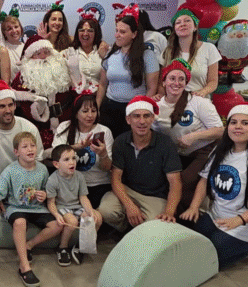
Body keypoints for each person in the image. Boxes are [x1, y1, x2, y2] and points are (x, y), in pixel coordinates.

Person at [180, 103, 248, 269]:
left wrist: (239, 220)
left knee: (208, 261)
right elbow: (204, 180)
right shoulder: (219, 152)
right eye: (233, 122)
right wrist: (194, 207)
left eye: (245, 123)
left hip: (246, 225)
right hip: (216, 216)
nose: (238, 127)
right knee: (191, 247)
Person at [0, 132, 61, 287]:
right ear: (16, 152)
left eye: (33, 146)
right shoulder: (10, 170)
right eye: (25, 146)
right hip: (16, 207)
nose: (30, 149)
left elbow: (48, 189)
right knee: (20, 222)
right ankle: (24, 267)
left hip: (37, 208)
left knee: (57, 225)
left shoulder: (42, 169)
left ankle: (29, 245)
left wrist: (45, 194)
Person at [99, 96, 182, 232]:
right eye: (136, 116)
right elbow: (115, 179)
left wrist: (169, 212)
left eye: (146, 116)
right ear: (128, 120)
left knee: (158, 226)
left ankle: (139, 229)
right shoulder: (121, 141)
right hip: (128, 190)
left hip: (155, 197)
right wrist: (129, 206)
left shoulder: (165, 143)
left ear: (152, 118)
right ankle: (129, 228)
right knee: (105, 211)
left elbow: (175, 183)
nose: (142, 121)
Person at [152, 59, 224, 217]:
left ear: (186, 83)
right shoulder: (157, 106)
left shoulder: (198, 102)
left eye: (181, 79)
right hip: (177, 154)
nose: (176, 83)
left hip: (203, 151)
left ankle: (188, 218)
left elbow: (220, 131)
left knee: (182, 182)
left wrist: (194, 136)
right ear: (163, 82)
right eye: (172, 78)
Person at [0, 81, 43, 203]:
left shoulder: (29, 128)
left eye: (11, 105)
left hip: (24, 180)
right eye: (2, 106)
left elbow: (38, 161)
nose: (8, 110)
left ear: (15, 105)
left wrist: (26, 187)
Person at [97, 14, 160, 138]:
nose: (117, 35)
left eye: (122, 32)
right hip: (109, 108)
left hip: (134, 110)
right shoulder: (110, 53)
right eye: (116, 31)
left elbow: (152, 88)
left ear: (134, 34)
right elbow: (102, 84)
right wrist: (97, 107)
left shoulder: (147, 55)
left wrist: (141, 111)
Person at [52, 87, 113, 208]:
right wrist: (77, 147)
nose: (90, 115)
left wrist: (103, 154)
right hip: (70, 184)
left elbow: (107, 168)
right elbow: (56, 156)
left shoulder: (104, 131)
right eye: (85, 111)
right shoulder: (64, 127)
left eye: (93, 111)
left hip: (99, 185)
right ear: (76, 113)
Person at [11, 36, 73, 150]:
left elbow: (71, 96)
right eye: (38, 54)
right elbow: (22, 105)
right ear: (30, 57)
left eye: (46, 52)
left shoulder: (62, 69)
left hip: (64, 125)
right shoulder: (23, 76)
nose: (43, 56)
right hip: (36, 128)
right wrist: (37, 108)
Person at [46, 144, 102, 266]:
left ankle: (81, 247)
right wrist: (56, 215)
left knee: (97, 218)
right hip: (62, 207)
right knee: (72, 222)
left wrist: (90, 211)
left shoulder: (79, 176)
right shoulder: (52, 180)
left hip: (76, 206)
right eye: (66, 159)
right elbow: (51, 202)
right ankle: (62, 247)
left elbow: (83, 197)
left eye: (73, 158)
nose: (72, 162)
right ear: (56, 164)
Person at [159, 9, 221, 98]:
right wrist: (161, 96)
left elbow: (213, 81)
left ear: (195, 27)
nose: (182, 24)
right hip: (173, 101)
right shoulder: (167, 51)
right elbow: (161, 82)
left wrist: (202, 92)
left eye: (187, 20)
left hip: (199, 100)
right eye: (178, 22)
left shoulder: (209, 48)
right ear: (175, 29)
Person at [66, 9, 110, 87]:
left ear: (96, 33)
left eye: (90, 31)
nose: (85, 34)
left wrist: (105, 57)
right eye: (82, 30)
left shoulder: (105, 50)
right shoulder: (70, 52)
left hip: (99, 93)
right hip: (77, 93)